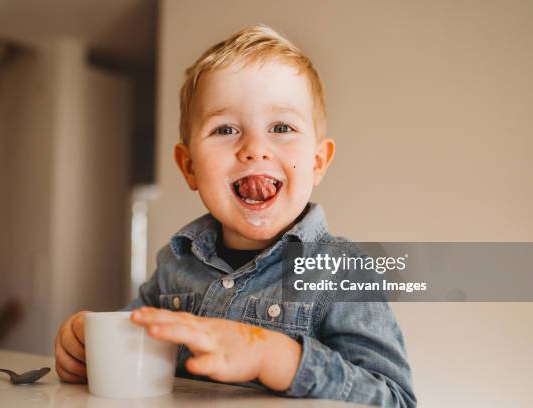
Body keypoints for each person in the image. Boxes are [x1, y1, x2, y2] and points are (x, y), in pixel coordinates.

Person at [54, 24, 416, 407]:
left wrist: (275, 357)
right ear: (189, 165)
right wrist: (88, 345)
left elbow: (394, 398)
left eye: (281, 127)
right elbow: (133, 353)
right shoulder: (175, 264)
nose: (254, 148)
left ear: (317, 162)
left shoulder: (343, 272)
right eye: (225, 129)